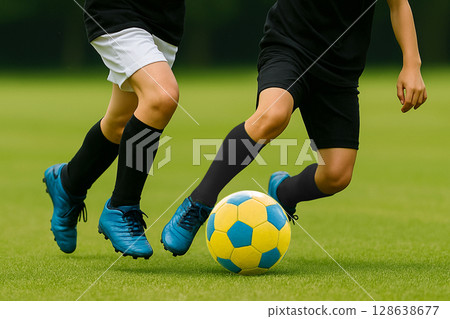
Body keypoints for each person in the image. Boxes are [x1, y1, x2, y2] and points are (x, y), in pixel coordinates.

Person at [161, 0, 427, 256]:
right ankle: (198, 203)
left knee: (337, 175)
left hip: (340, 69)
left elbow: (398, 4)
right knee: (272, 116)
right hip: (290, 46)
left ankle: (285, 191)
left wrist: (411, 65)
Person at [43, 0, 186, 259]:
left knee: (121, 123)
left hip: (165, 21)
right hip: (116, 9)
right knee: (161, 98)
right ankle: (122, 206)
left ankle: (67, 182)